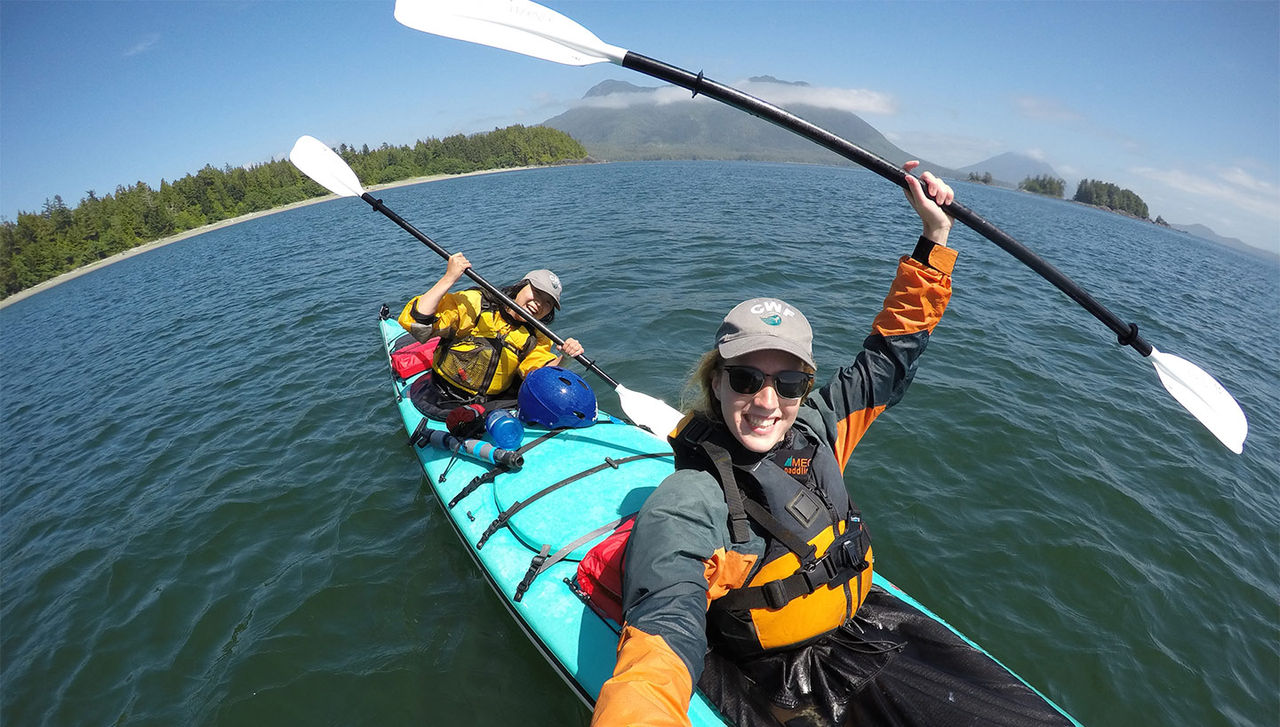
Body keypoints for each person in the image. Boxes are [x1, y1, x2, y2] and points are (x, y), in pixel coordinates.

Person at [591, 163, 1073, 726]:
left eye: (789, 383)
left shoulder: (817, 428)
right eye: (746, 379)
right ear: (716, 383)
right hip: (778, 679)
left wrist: (935, 238)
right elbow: (662, 634)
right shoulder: (690, 499)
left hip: (862, 626)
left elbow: (887, 359)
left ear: (805, 387)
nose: (767, 402)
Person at [397, 252, 584, 419]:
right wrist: (449, 277)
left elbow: (539, 375)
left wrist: (565, 358)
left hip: (491, 405)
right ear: (521, 286)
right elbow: (418, 322)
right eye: (536, 293)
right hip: (442, 396)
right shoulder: (477, 304)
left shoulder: (537, 336)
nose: (539, 304)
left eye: (548, 303)